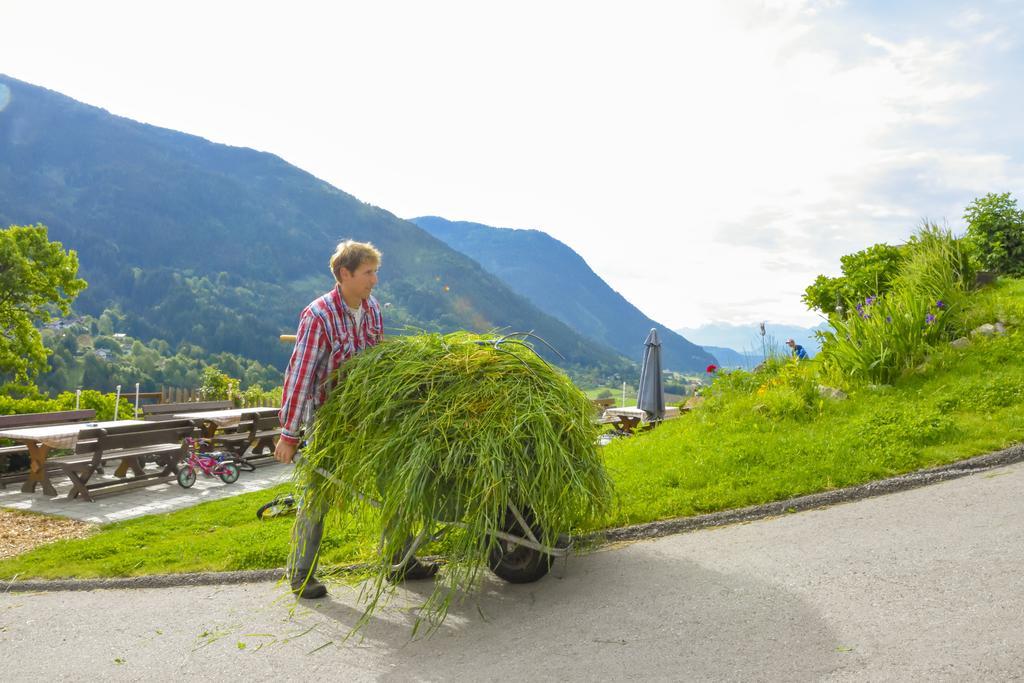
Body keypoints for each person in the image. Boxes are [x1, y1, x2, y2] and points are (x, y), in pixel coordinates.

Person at [275, 240, 438, 599]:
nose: (374, 280)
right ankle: (301, 574)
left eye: (375, 272)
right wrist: (289, 434)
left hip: (368, 415)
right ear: (344, 274)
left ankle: (400, 560)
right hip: (330, 419)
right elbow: (300, 377)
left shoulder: (372, 310)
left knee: (395, 480)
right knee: (318, 492)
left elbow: (376, 361)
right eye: (368, 273)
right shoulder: (318, 316)